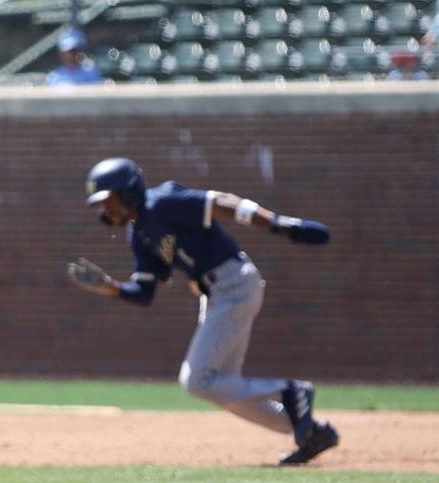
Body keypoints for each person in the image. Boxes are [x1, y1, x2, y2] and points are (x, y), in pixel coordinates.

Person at [66, 157, 339, 465]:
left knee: (198, 381)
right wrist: (110, 287)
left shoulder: (163, 201)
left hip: (234, 282)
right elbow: (145, 293)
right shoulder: (139, 234)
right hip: (218, 293)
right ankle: (312, 431)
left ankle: (290, 392)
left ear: (129, 191)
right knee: (219, 387)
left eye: (109, 200)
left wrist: (276, 224)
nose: (106, 209)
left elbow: (222, 202)